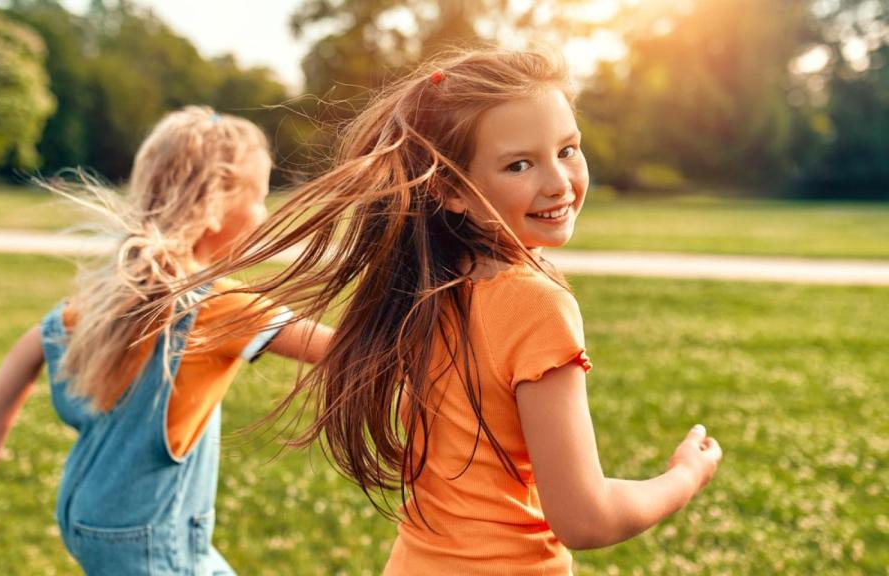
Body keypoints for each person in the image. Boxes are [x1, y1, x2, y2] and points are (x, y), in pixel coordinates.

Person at [170, 51, 723, 575]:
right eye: (519, 164)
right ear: (451, 190)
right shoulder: (536, 305)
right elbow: (584, 517)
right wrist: (681, 478)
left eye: (568, 149)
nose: (558, 182)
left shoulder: (425, 285)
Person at [0, 106, 331, 575]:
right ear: (216, 208)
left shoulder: (115, 294)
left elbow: (29, 348)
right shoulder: (218, 306)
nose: (264, 212)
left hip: (94, 518)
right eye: (259, 196)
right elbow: (341, 349)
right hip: (151, 538)